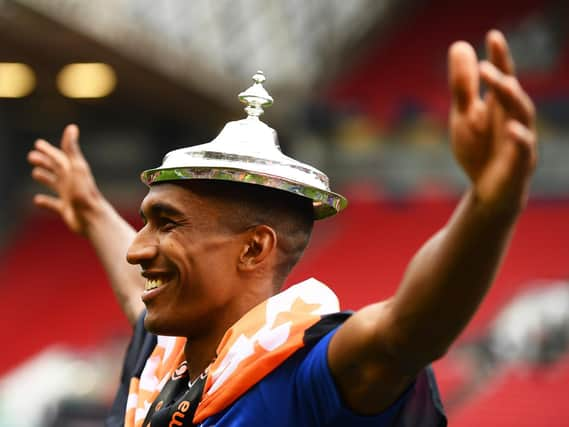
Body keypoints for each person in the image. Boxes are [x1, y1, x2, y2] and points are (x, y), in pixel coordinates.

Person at [27, 30, 536, 426]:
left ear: (254, 249)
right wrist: (93, 210)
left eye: (167, 224)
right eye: (144, 222)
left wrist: (487, 207)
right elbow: (136, 288)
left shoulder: (304, 371)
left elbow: (406, 331)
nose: (138, 249)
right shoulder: (166, 361)